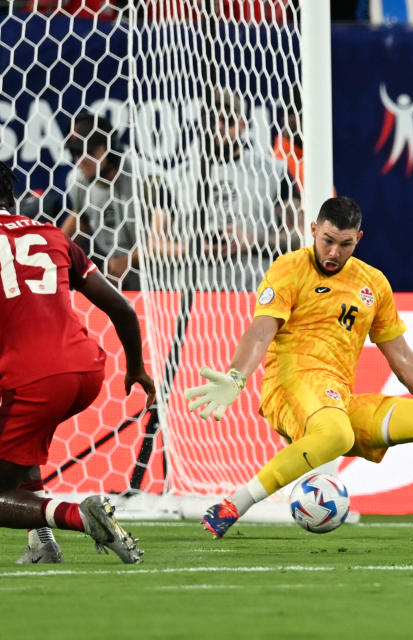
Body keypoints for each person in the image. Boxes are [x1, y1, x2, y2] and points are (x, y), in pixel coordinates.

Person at [184, 196, 413, 537]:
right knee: (336, 434)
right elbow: (261, 331)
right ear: (313, 229)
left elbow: (402, 357)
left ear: (359, 239)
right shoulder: (288, 269)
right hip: (290, 386)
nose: (333, 252)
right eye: (327, 240)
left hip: (336, 399)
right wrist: (236, 377)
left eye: (345, 244)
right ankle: (235, 504)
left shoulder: (372, 283)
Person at [0, 160, 155, 564]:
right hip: (88, 369)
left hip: (33, 377)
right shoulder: (51, 233)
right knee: (19, 442)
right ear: (11, 197)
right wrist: (135, 367)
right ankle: (43, 543)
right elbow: (121, 308)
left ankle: (80, 517)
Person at [172, 87, 304, 291]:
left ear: (242, 124)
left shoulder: (273, 171)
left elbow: (301, 236)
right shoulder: (177, 177)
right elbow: (153, 243)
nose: (220, 127)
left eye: (229, 120)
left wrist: (252, 241)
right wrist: (193, 248)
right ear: (201, 123)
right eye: (213, 120)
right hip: (194, 297)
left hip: (255, 296)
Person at [62, 112, 173, 291]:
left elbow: (158, 245)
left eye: (88, 152)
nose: (81, 160)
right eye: (75, 153)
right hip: (112, 274)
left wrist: (127, 262)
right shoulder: (77, 181)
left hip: (158, 280)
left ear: (109, 147)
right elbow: (79, 223)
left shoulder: (149, 179)